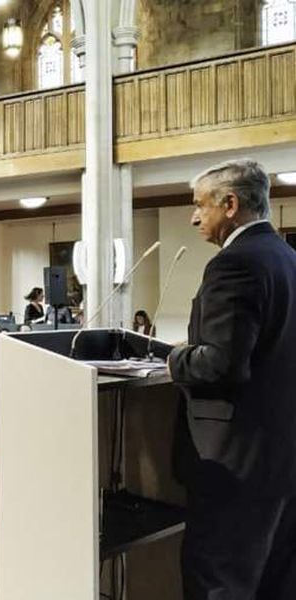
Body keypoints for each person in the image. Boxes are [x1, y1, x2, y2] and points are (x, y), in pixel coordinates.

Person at [168, 159, 296, 599]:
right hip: (282, 453)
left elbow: (221, 365)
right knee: (276, 578)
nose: (194, 216)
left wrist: (174, 360)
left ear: (230, 204)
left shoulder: (233, 264)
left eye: (199, 205)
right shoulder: (287, 257)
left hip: (233, 460)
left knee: (220, 580)